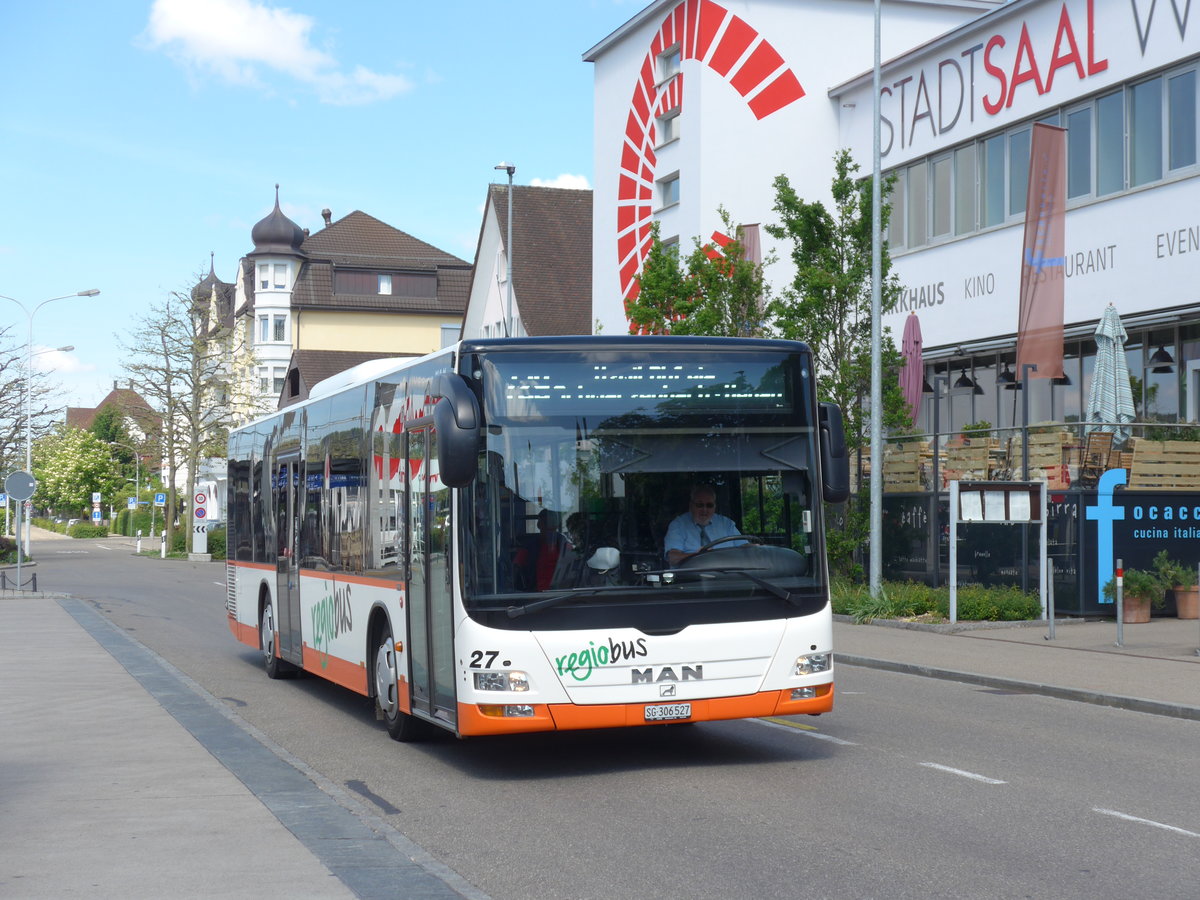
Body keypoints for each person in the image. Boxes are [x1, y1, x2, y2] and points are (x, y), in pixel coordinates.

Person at [664, 484, 742, 566]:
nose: (704, 510)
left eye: (709, 505)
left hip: (728, 576)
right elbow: (673, 558)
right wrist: (697, 556)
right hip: (689, 577)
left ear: (715, 507)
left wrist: (755, 547)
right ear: (691, 505)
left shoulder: (727, 524)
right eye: (700, 505)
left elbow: (745, 548)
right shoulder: (678, 525)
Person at [514, 509, 571, 591]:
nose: (549, 531)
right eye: (545, 524)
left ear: (556, 526)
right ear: (539, 525)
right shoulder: (529, 547)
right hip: (536, 596)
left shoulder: (565, 546)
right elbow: (516, 566)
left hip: (562, 593)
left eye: (552, 526)